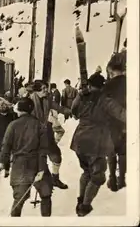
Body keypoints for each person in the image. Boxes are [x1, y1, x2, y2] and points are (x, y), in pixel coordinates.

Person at [0, 97, 53, 217]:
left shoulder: (12, 125)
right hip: (37, 163)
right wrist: (42, 169)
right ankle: (46, 222)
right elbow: (43, 149)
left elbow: (6, 146)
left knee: (19, 199)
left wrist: (2, 162)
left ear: (20, 110)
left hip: (20, 165)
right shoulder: (39, 125)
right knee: (46, 194)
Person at [70, 74, 114, 217]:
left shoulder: (82, 96)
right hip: (96, 142)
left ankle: (81, 200)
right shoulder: (105, 99)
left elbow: (73, 112)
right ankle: (85, 206)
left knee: (87, 172)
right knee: (98, 176)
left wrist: (80, 95)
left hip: (80, 140)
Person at [29, 80, 71, 189]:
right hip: (34, 132)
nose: (45, 90)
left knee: (56, 156)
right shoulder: (29, 99)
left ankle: (55, 179)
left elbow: (58, 107)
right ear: (36, 90)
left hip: (46, 130)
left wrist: (69, 111)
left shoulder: (47, 98)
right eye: (43, 89)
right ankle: (38, 182)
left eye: (45, 88)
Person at [103, 53, 127, 192]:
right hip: (126, 124)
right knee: (123, 153)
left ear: (111, 71)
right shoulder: (131, 82)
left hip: (111, 125)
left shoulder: (107, 86)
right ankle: (122, 179)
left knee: (111, 152)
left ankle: (112, 179)